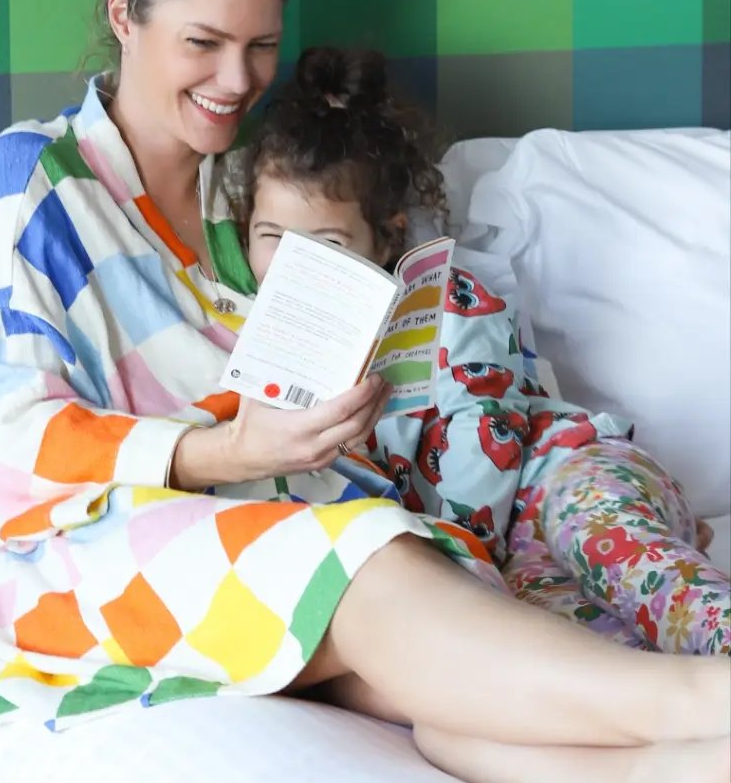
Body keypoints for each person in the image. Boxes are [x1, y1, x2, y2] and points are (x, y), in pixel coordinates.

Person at [0, 0, 729, 783]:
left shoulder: (249, 199)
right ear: (125, 17)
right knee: (366, 562)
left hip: (283, 518)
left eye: (260, 45)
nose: (236, 78)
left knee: (428, 652)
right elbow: (5, 430)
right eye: (203, 44)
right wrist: (224, 453)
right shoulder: (31, 180)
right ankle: (708, 702)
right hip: (94, 547)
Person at [242, 44, 729, 659]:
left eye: (330, 243)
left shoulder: (452, 303)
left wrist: (460, 556)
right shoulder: (256, 347)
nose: (299, 264)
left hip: (559, 474)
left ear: (386, 237)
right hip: (496, 563)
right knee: (577, 654)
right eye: (272, 237)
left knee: (631, 565)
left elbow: (484, 430)